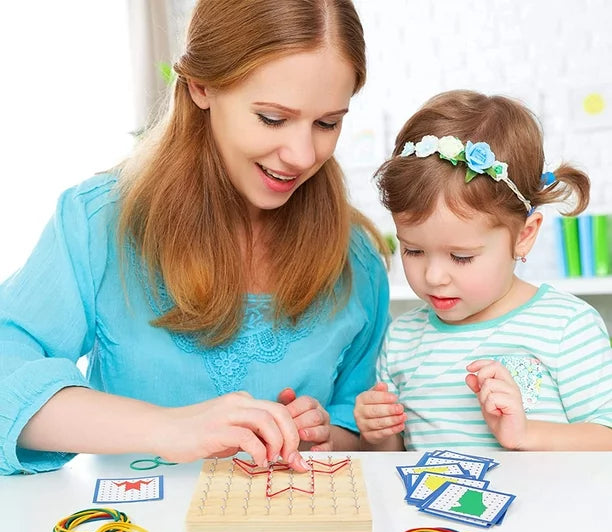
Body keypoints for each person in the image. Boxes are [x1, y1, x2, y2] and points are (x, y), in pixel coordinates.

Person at [0, 0, 390, 476]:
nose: (302, 154)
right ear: (201, 86)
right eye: (272, 118)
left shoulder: (356, 258)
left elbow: (363, 428)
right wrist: (172, 428)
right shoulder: (97, 222)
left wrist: (326, 436)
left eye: (328, 123)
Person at [354, 89, 612, 452]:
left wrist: (526, 434)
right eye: (413, 250)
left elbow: (606, 439)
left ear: (524, 236)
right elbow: (393, 461)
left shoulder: (567, 327)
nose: (433, 276)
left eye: (461, 257)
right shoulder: (402, 340)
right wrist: (378, 434)